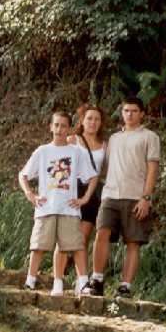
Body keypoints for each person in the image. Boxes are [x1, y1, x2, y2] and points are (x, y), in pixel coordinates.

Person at [83, 97, 160, 297]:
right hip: (110, 195)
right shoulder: (114, 139)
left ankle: (125, 286)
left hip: (135, 196)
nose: (129, 114)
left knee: (132, 242)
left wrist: (146, 198)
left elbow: (153, 170)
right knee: (101, 234)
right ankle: (97, 280)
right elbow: (102, 166)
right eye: (126, 110)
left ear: (142, 113)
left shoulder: (149, 137)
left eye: (134, 111)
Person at [19, 111, 99, 296]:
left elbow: (92, 176)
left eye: (63, 126)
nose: (59, 129)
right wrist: (30, 193)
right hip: (46, 207)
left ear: (69, 128)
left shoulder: (77, 152)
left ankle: (83, 283)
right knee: (38, 245)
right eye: (56, 125)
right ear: (50, 126)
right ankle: (30, 281)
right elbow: (23, 175)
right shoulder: (43, 151)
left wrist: (85, 198)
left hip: (69, 208)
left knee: (75, 245)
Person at [68, 103, 106, 294]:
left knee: (82, 239)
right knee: (69, 238)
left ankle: (80, 281)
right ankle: (76, 278)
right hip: (73, 190)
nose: (93, 122)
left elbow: (103, 172)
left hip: (92, 193)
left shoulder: (104, 145)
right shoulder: (72, 140)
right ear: (82, 120)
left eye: (97, 119)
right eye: (89, 118)